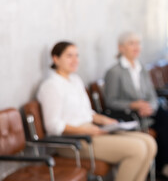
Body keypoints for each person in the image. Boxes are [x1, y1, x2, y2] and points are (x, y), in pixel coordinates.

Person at [37, 41, 157, 181]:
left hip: (92, 131)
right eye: (69, 56)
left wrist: (104, 120)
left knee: (149, 143)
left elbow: (87, 112)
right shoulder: (51, 86)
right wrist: (86, 131)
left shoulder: (75, 80)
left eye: (77, 55)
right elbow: (52, 125)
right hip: (74, 141)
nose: (75, 60)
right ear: (55, 59)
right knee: (138, 149)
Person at [104, 32, 168, 181]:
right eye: (131, 43)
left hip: (148, 109)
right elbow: (110, 101)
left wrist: (150, 106)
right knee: (165, 124)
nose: (136, 47)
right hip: (129, 113)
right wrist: (134, 105)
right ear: (121, 48)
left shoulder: (141, 67)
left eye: (138, 43)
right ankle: (167, 167)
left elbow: (151, 94)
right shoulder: (114, 72)